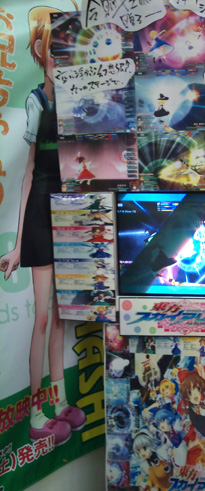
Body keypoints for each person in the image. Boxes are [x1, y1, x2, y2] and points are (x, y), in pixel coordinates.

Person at [0, 6, 85, 446]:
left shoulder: (79, 102)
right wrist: (17, 246)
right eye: (54, 51)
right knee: (42, 318)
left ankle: (60, 400)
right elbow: (28, 174)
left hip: (69, 211)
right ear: (39, 50)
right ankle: (35, 412)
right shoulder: (37, 101)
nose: (60, 60)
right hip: (39, 214)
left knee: (61, 318)